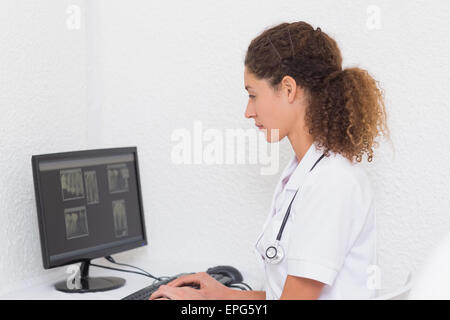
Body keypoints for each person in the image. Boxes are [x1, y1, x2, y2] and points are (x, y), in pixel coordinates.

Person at [149, 21, 389, 300]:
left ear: (288, 89)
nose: (248, 112)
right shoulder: (306, 171)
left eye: (253, 95)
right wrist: (221, 296)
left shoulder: (331, 182)